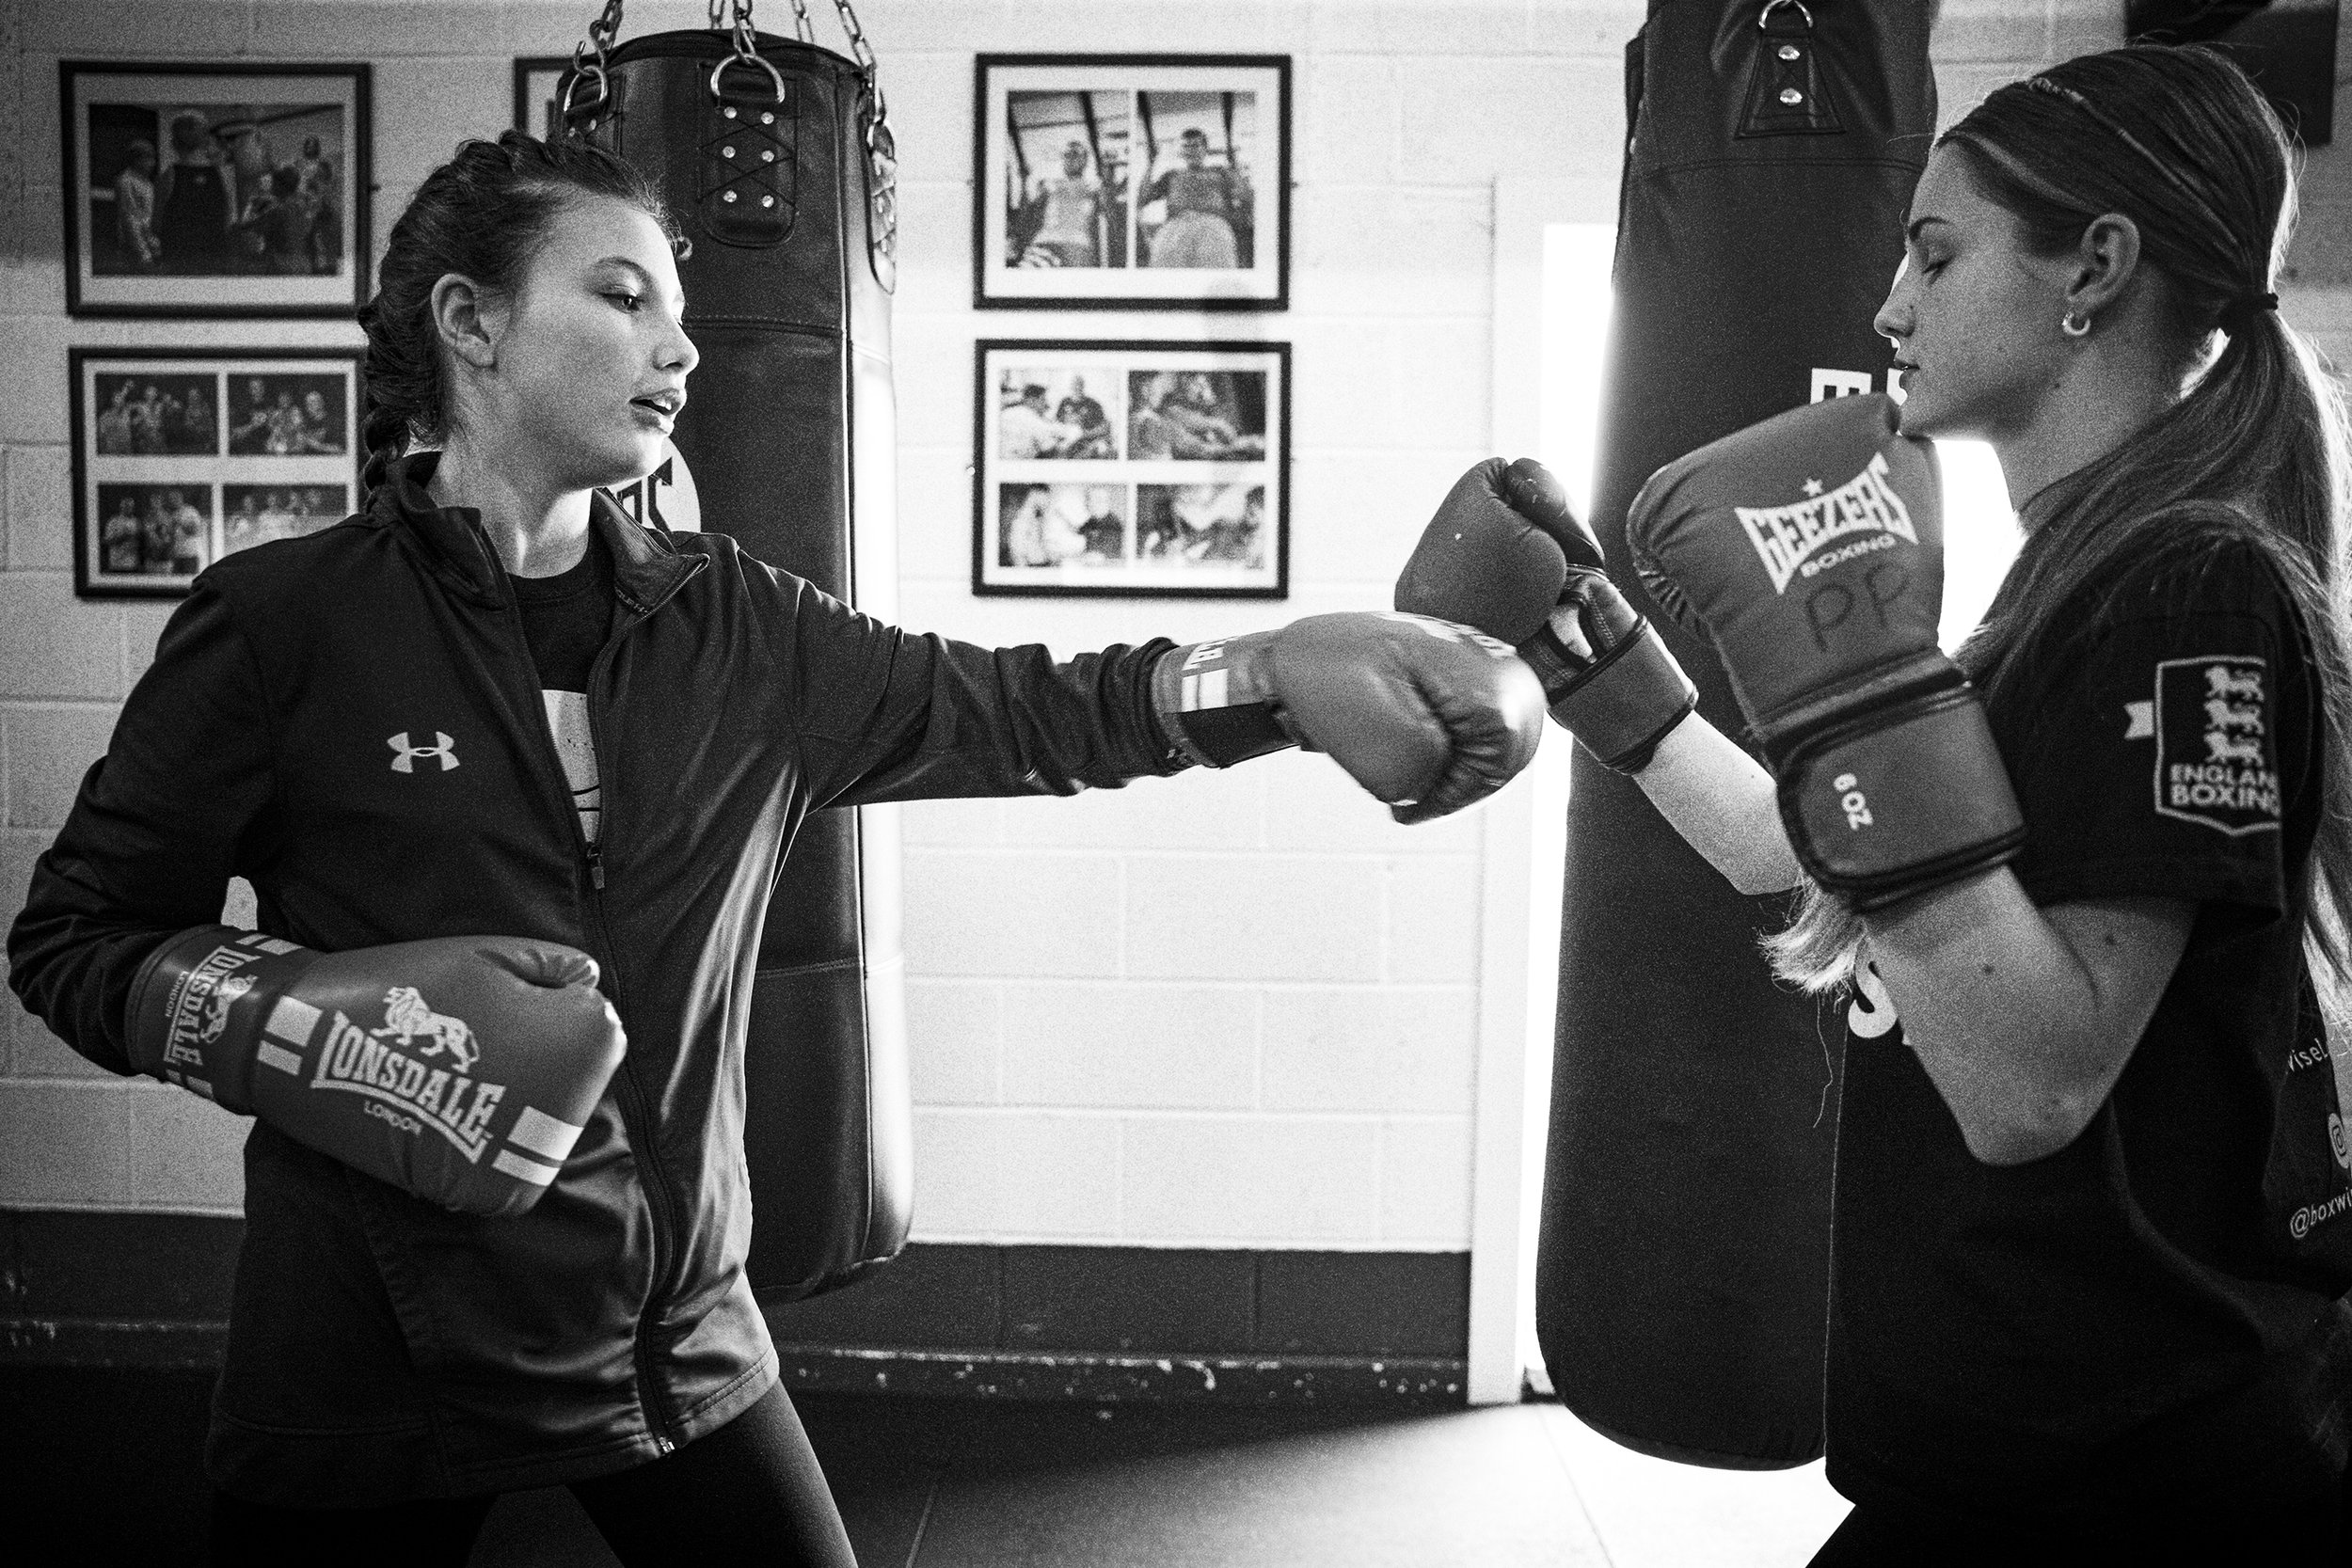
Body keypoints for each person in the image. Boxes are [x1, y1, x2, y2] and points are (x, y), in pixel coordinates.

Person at [6, 130, 1542, 1567]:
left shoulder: (735, 624)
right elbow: (75, 937)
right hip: (368, 1344)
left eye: (682, 310)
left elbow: (1019, 712)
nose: (680, 348)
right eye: (622, 297)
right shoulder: (286, 625)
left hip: (678, 1333)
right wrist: (313, 1033)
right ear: (472, 325)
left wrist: (1269, 671)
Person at [1400, 44, 2351, 1560]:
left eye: (1936, 250)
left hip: (2133, 1473)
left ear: (2092, 269)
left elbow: (2032, 1074)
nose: (1888, 307)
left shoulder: (2193, 584)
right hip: (2019, 1443)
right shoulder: (2066, 593)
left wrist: (1853, 688)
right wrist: (1598, 659)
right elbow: (1839, 858)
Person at [1140, 126, 1248, 269]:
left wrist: (1235, 169)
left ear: (1205, 149)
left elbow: (1245, 196)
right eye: (1186, 146)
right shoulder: (1172, 175)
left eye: (1196, 146)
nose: (1191, 151)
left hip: (1213, 227)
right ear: (1182, 151)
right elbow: (1142, 198)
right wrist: (1150, 164)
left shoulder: (1220, 172)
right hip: (1176, 228)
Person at [154, 109, 232, 274]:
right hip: (214, 263)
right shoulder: (223, 174)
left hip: (178, 263)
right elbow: (228, 220)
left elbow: (156, 225)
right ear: (205, 141)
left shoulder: (168, 176)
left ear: (174, 141)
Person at [1016, 140, 1106, 268]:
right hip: (1046, 241)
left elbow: (1110, 215)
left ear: (1085, 160)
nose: (1071, 159)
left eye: (1076, 155)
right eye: (1067, 155)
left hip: (1077, 245)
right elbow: (1028, 215)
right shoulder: (1048, 186)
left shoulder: (1094, 188)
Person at [113, 138, 161, 269]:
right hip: (133, 248)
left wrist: (154, 246)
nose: (152, 164)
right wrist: (143, 253)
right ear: (137, 160)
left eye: (153, 159)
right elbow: (129, 218)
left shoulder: (147, 183)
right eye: (148, 159)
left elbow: (148, 218)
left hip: (149, 243)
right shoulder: (126, 181)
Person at [998, 380, 1076, 459]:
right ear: (1032, 400)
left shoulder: (1006, 412)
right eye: (1043, 400)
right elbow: (1050, 449)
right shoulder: (1032, 418)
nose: (1046, 404)